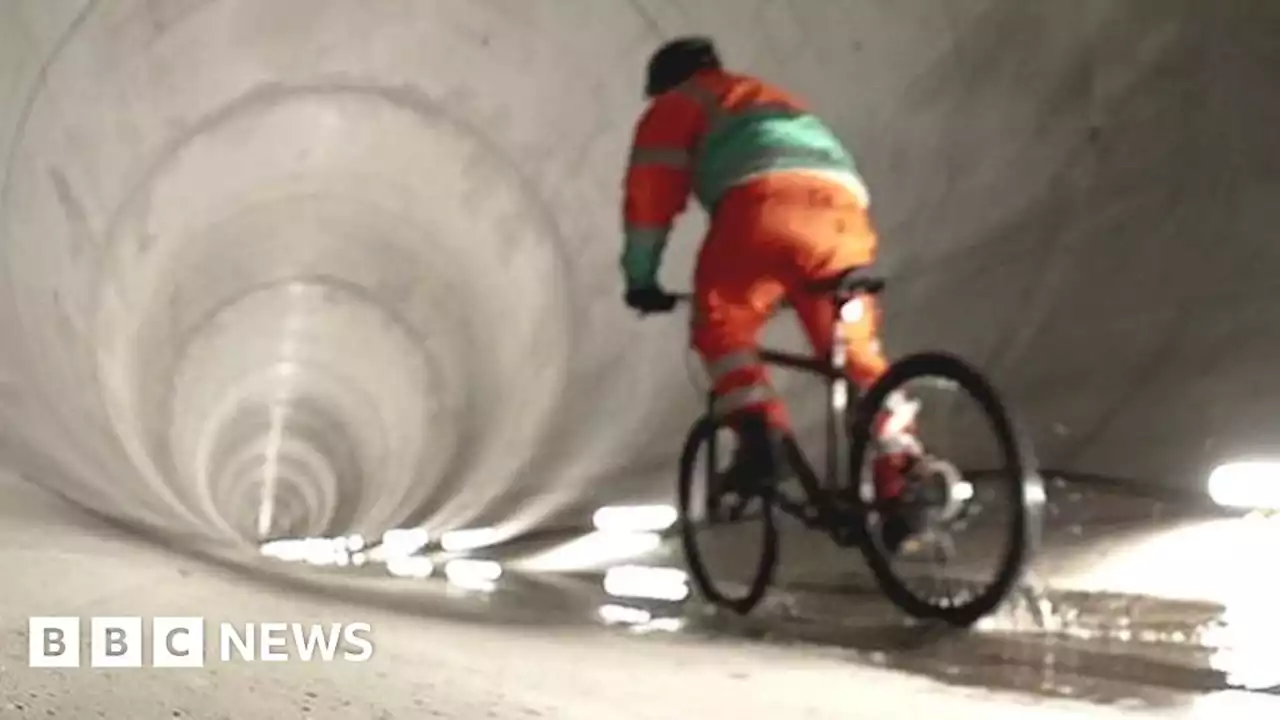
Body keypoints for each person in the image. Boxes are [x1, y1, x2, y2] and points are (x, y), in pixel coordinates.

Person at [618, 36, 925, 551]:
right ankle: (903, 482)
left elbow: (648, 202)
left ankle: (762, 438)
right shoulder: (771, 97)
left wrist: (641, 281)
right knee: (855, 353)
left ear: (665, 83)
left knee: (721, 323)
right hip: (842, 217)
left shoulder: (678, 105)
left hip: (761, 209)